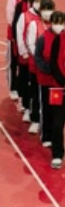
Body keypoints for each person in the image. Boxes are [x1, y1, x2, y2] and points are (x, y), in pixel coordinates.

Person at [17, 0, 47, 134]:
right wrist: (35, 57)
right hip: (34, 63)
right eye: (37, 1)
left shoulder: (54, 22)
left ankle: (45, 121)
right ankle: (32, 115)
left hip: (49, 68)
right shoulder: (31, 21)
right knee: (33, 91)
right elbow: (28, 41)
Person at [39, 11, 65, 168]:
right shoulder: (59, 40)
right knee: (57, 123)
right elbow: (54, 63)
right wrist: (62, 81)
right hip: (59, 87)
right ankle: (57, 154)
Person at [6, 0, 34, 102]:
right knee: (13, 62)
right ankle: (13, 88)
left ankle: (24, 90)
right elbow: (10, 18)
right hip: (14, 36)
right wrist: (16, 35)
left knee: (26, 66)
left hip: (30, 36)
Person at [34, 0, 57, 147]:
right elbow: (38, 57)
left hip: (59, 81)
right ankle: (46, 136)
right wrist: (51, 69)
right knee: (46, 108)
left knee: (58, 111)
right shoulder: (43, 39)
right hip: (46, 79)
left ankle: (56, 136)